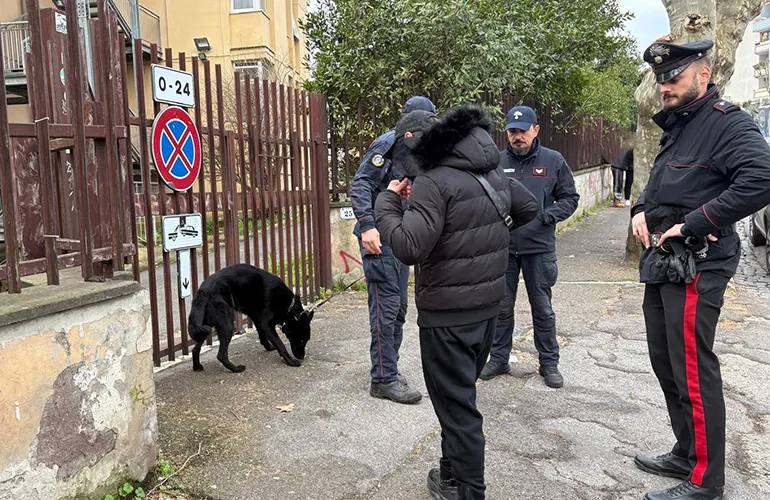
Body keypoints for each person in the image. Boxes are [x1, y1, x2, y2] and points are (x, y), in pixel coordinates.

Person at [375, 104, 538, 500]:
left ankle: (468, 490)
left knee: (458, 409)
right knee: (458, 398)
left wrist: (388, 203)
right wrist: (482, 237)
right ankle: (450, 475)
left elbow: (409, 245)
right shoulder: (492, 171)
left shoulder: (434, 181)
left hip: (447, 316)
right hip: (488, 310)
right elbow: (529, 208)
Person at [631, 40, 770, 500]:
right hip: (663, 260)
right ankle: (686, 451)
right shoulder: (680, 123)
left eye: (673, 76)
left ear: (703, 75)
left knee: (692, 365)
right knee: (664, 358)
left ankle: (706, 480)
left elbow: (761, 178)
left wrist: (696, 222)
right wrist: (639, 207)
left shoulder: (727, 123)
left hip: (698, 261)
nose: (664, 85)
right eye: (660, 78)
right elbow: (662, 178)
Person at [479, 105, 580, 389]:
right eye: (512, 131)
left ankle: (549, 363)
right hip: (504, 249)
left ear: (536, 130)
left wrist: (547, 217)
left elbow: (570, 198)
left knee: (542, 309)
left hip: (539, 248)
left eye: (522, 131)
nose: (517, 136)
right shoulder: (495, 163)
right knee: (500, 307)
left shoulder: (553, 160)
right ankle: (499, 358)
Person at [349, 96, 436, 405]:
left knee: (398, 309)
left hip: (398, 237)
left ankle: (390, 369)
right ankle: (382, 379)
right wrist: (368, 225)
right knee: (385, 310)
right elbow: (360, 186)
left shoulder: (418, 149)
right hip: (379, 238)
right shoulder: (386, 145)